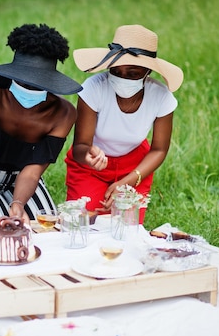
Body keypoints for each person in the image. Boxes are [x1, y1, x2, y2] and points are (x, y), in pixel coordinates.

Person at [0, 23, 82, 234]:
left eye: (37, 86)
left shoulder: (64, 113)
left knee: (44, 230)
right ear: (13, 75)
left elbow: (32, 171)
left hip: (22, 177)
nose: (29, 89)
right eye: (24, 83)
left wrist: (18, 203)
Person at [65, 24, 183, 223]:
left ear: (148, 72)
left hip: (136, 166)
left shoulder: (161, 97)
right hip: (92, 166)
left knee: (125, 228)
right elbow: (80, 147)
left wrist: (130, 180)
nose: (122, 78)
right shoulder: (94, 88)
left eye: (133, 73)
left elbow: (159, 150)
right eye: (116, 71)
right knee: (83, 221)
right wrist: (88, 155)